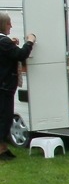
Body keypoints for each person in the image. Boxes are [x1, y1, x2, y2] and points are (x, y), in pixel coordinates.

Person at [0, 13, 36, 161]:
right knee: (4, 118)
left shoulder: (4, 42)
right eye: (9, 23)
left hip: (3, 85)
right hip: (4, 86)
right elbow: (21, 55)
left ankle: (3, 148)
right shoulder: (3, 42)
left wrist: (12, 43)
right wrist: (30, 41)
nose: (11, 26)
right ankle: (1, 150)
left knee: (5, 117)